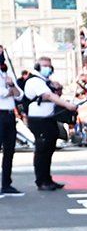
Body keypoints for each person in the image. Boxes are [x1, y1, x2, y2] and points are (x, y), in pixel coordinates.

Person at [21, 57, 73, 191]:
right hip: (39, 120)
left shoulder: (45, 82)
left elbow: (53, 95)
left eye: (49, 66)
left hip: (48, 119)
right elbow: (48, 96)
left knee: (49, 150)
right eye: (44, 65)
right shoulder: (35, 81)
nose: (48, 68)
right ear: (37, 66)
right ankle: (41, 180)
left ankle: (47, 179)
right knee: (42, 150)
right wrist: (67, 105)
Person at [0, 51, 22, 196]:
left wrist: (11, 85)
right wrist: (10, 90)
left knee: (9, 150)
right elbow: (3, 93)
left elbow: (19, 94)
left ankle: (6, 184)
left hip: (9, 114)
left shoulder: (7, 74)